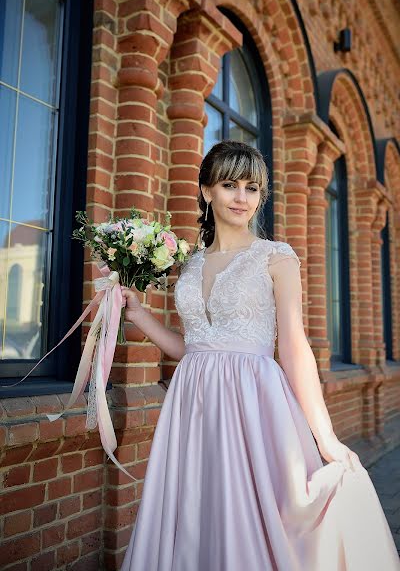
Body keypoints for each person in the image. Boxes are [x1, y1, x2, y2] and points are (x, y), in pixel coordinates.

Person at [120, 140, 399, 570]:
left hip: (253, 401)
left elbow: (293, 346)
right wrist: (138, 315)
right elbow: (192, 347)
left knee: (262, 510)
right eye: (229, 184)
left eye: (252, 188)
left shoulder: (276, 257)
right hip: (192, 402)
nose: (241, 197)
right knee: (198, 507)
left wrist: (323, 436)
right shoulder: (189, 264)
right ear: (205, 190)